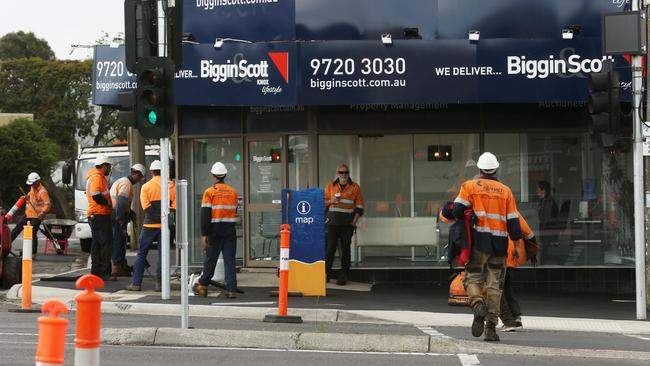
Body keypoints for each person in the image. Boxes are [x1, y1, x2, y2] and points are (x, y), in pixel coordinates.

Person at [453, 152, 521, 342]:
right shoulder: (506, 191)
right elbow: (514, 224)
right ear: (496, 169)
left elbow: (457, 210)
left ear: (480, 169)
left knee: (472, 279)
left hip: (477, 245)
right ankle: (490, 329)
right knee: (495, 287)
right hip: (499, 247)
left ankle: (477, 304)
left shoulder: (470, 186)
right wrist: (516, 246)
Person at [126, 160, 175, 292]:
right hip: (165, 226)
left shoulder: (146, 187)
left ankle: (136, 283)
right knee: (162, 254)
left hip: (150, 225)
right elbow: (173, 208)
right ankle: (159, 284)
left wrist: (156, 217)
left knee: (141, 253)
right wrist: (164, 220)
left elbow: (146, 208)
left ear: (152, 172)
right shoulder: (171, 185)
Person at [192, 162, 239, 298]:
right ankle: (231, 289)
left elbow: (205, 215)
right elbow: (235, 211)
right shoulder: (233, 192)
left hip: (214, 231)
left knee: (210, 260)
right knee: (230, 260)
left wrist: (204, 234)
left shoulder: (209, 192)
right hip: (230, 231)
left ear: (213, 175)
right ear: (225, 175)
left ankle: (203, 286)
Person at [324, 164, 364, 286]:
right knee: (330, 249)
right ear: (337, 173)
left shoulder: (355, 187)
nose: (343, 175)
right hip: (333, 224)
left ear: (348, 173)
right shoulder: (331, 185)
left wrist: (353, 223)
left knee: (345, 250)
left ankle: (344, 275)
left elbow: (360, 207)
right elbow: (322, 202)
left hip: (347, 224)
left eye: (346, 172)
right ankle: (326, 274)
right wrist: (331, 201)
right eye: (341, 172)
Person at [500, 212, 536, 332]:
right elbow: (528, 232)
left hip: (499, 254)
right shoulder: (514, 213)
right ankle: (516, 316)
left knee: (496, 289)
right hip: (513, 256)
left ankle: (508, 320)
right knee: (507, 286)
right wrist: (533, 249)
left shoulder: (493, 208)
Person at [109, 163, 146, 279]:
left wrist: (129, 212)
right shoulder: (126, 184)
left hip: (115, 214)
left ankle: (120, 264)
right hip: (117, 215)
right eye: (140, 177)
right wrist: (121, 219)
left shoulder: (122, 181)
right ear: (137, 174)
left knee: (120, 240)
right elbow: (121, 201)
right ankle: (117, 267)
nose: (140, 180)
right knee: (119, 240)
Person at [86, 155, 113, 278]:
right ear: (104, 166)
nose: (110, 169)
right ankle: (104, 272)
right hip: (99, 214)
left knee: (97, 244)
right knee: (105, 244)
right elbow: (96, 196)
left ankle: (96, 271)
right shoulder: (97, 178)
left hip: (97, 215)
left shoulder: (98, 177)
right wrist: (108, 203)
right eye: (109, 166)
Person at [10, 172, 50, 257]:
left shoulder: (43, 191)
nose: (31, 185)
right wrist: (26, 197)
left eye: (32, 183)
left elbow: (47, 204)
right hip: (28, 213)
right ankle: (5, 244)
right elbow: (30, 196)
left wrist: (43, 212)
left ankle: (33, 253)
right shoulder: (32, 188)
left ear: (38, 181)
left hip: (36, 216)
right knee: (17, 228)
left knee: (32, 233)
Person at [536, 180, 558, 264]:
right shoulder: (542, 201)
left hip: (546, 231)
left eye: (538, 189)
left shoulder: (548, 203)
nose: (536, 191)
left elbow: (545, 219)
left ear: (543, 190)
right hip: (544, 230)